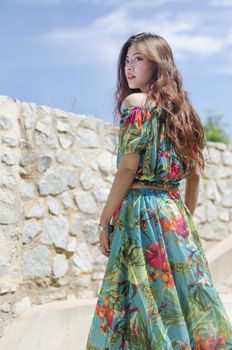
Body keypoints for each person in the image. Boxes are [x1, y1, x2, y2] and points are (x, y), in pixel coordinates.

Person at [86, 32, 232, 349]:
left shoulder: (135, 104)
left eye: (138, 58)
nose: (129, 66)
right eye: (126, 59)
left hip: (139, 210)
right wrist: (183, 221)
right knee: (183, 298)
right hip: (174, 212)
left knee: (136, 299)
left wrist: (104, 220)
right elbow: (194, 177)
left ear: (158, 64)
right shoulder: (185, 113)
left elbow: (127, 169)